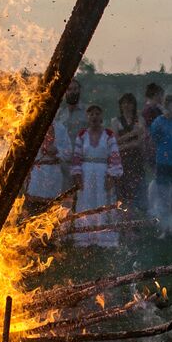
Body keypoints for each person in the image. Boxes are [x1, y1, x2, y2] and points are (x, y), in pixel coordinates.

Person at [72, 104, 124, 247]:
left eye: (97, 114)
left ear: (101, 117)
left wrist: (111, 176)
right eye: (91, 114)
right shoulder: (82, 135)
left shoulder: (108, 134)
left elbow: (114, 155)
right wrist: (77, 176)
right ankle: (84, 238)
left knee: (103, 203)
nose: (94, 116)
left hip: (103, 172)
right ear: (87, 117)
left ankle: (104, 239)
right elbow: (76, 157)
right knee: (86, 202)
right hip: (86, 172)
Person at [147, 94, 172, 238]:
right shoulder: (158, 122)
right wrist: (153, 161)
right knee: (163, 198)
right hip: (163, 163)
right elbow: (153, 142)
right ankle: (164, 229)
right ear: (167, 105)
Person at [114, 93, 149, 214]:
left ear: (134, 105)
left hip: (136, 160)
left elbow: (140, 141)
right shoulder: (116, 121)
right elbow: (114, 142)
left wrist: (125, 143)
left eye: (130, 103)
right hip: (122, 161)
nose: (127, 106)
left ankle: (135, 224)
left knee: (136, 193)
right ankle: (125, 226)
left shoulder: (139, 120)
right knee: (123, 194)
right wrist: (132, 135)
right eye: (124, 103)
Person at [25, 121, 70, 212]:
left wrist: (57, 150)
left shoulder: (60, 127)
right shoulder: (33, 125)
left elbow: (68, 152)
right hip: (36, 173)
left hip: (53, 173)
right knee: (32, 209)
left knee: (52, 210)